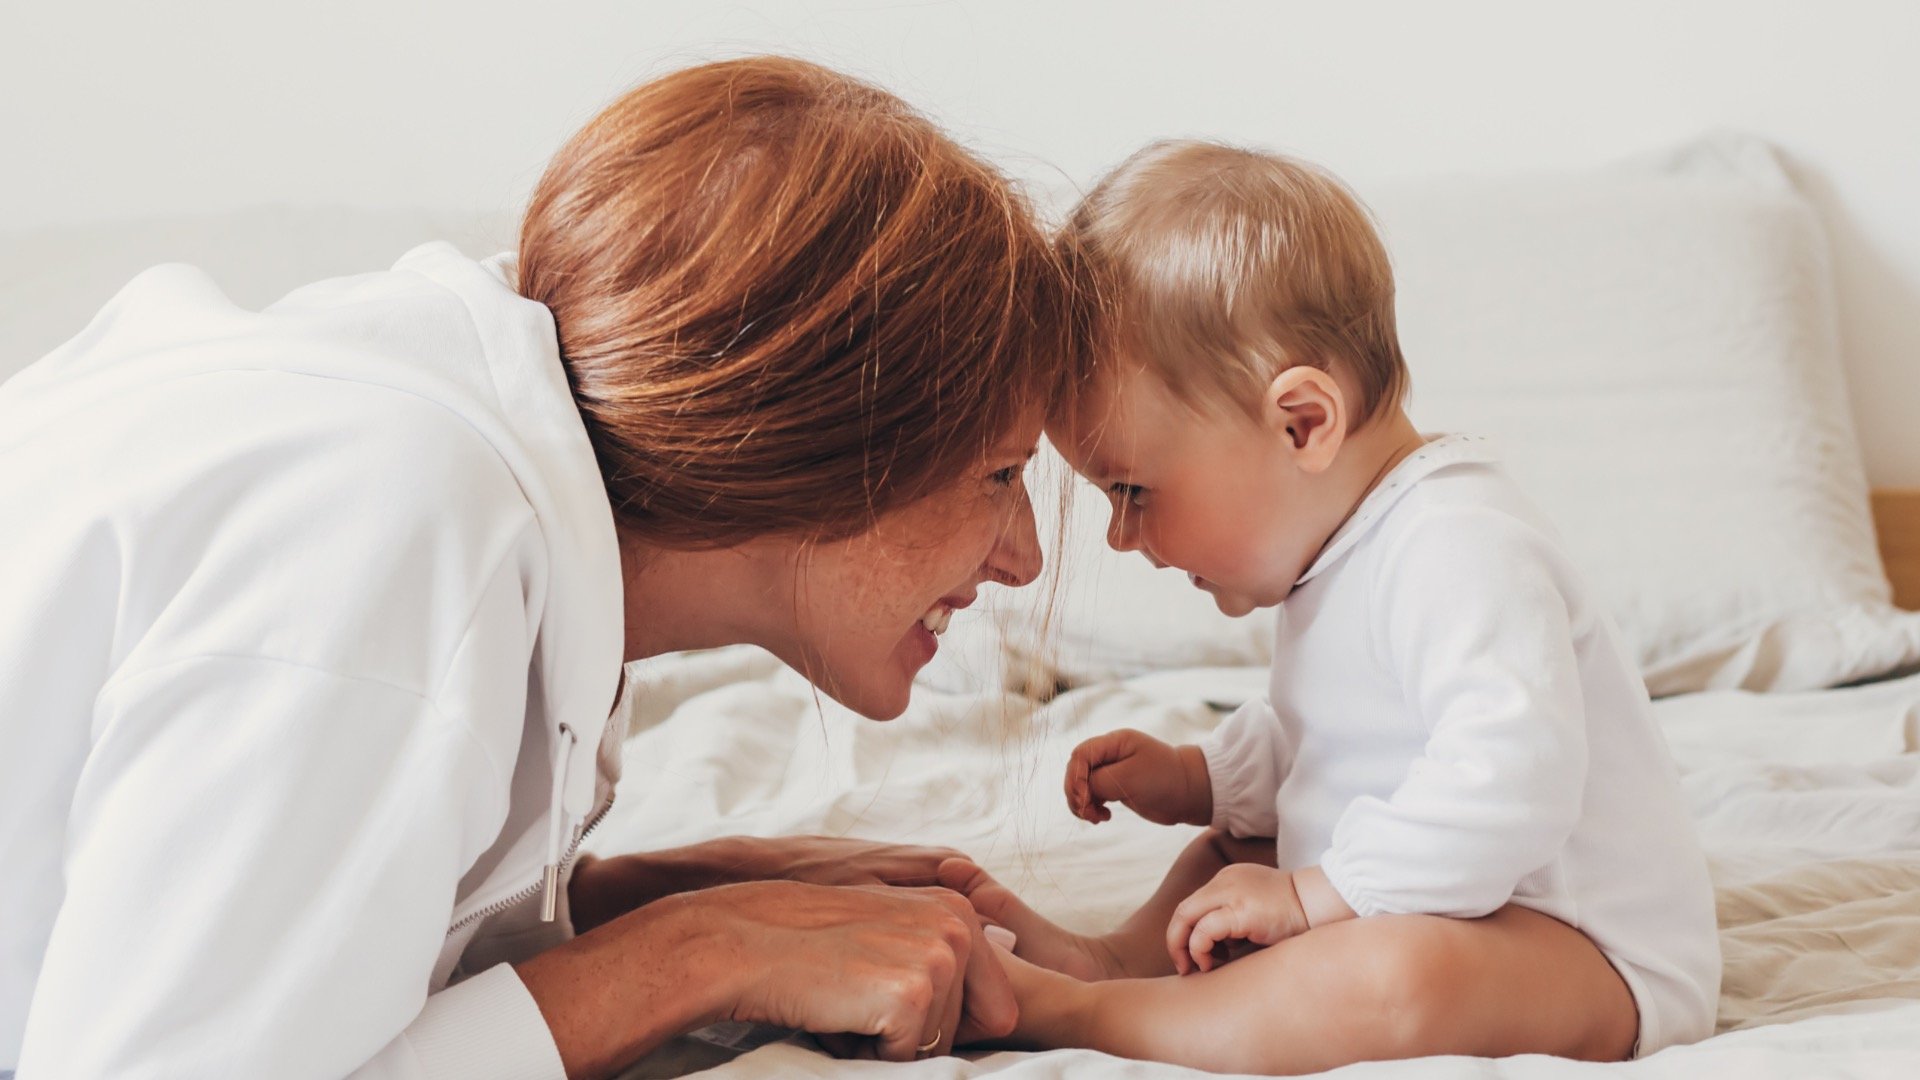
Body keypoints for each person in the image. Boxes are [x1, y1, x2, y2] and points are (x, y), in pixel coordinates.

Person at [0, 57, 1087, 1079]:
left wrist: (647, 898)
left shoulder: (480, 450)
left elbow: (317, 957)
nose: (1024, 556)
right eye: (1000, 473)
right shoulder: (402, 538)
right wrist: (699, 951)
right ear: (817, 431)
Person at [939, 140, 1721, 1074]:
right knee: (1244, 849)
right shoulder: (1347, 551)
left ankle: (1086, 1015)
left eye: (1133, 489)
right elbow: (1338, 741)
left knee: (1396, 973)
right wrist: (1200, 779)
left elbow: (1512, 777)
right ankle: (1113, 964)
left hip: (1581, 949)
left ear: (1302, 423)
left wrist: (1321, 895)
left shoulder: (1458, 543)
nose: (1121, 535)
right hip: (1452, 898)